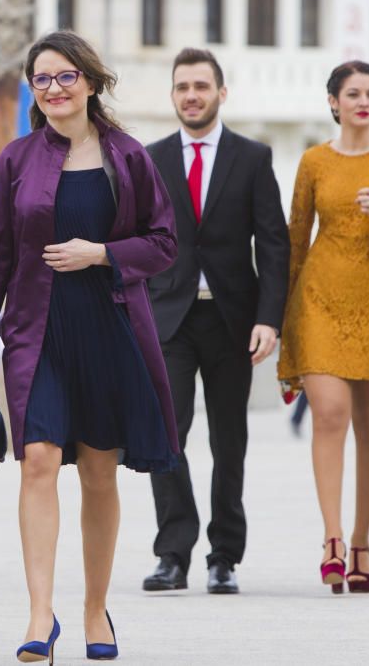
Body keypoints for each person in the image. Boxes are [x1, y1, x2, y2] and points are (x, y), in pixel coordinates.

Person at [0, 31, 178, 663]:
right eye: (41, 79)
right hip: (38, 331)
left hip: (111, 330)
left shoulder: (130, 157)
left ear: (89, 81)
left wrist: (103, 253)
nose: (53, 89)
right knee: (36, 460)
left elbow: (164, 244)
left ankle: (94, 610)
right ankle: (40, 616)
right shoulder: (17, 159)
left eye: (65, 77)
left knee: (97, 472)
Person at [142, 47, 289, 595]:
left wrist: (269, 319)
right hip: (169, 321)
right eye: (182, 87)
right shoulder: (150, 159)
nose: (191, 95)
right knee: (165, 436)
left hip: (233, 322)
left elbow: (274, 246)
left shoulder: (252, 158)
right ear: (174, 95)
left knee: (230, 441)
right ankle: (172, 553)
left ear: (220, 93)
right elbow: (135, 239)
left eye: (201, 86)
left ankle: (224, 554)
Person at [277, 61, 369, 594]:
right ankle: (332, 539)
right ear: (334, 102)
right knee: (330, 414)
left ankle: (363, 539)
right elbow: (296, 237)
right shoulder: (314, 160)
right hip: (318, 300)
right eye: (352, 93)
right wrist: (282, 314)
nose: (363, 101)